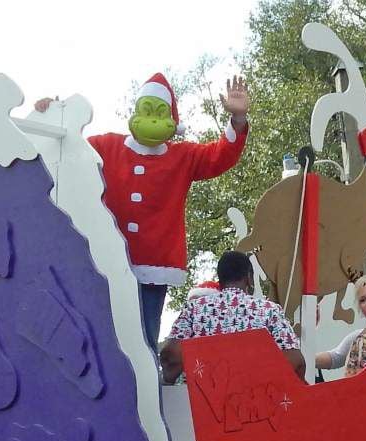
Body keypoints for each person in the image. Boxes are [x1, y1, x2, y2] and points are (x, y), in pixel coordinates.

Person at [36, 74, 250, 352]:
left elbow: (219, 155)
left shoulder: (182, 156)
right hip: (104, 261)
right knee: (97, 335)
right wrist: (55, 119)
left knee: (145, 341)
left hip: (153, 268)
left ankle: (145, 393)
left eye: (159, 112)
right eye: (146, 110)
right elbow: (66, 150)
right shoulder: (105, 146)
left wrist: (238, 120)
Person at [159, 251, 304, 383]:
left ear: (220, 279)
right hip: (258, 403)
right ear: (249, 278)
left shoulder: (194, 309)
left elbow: (171, 354)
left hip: (204, 405)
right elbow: (295, 361)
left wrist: (169, 378)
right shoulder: (269, 311)